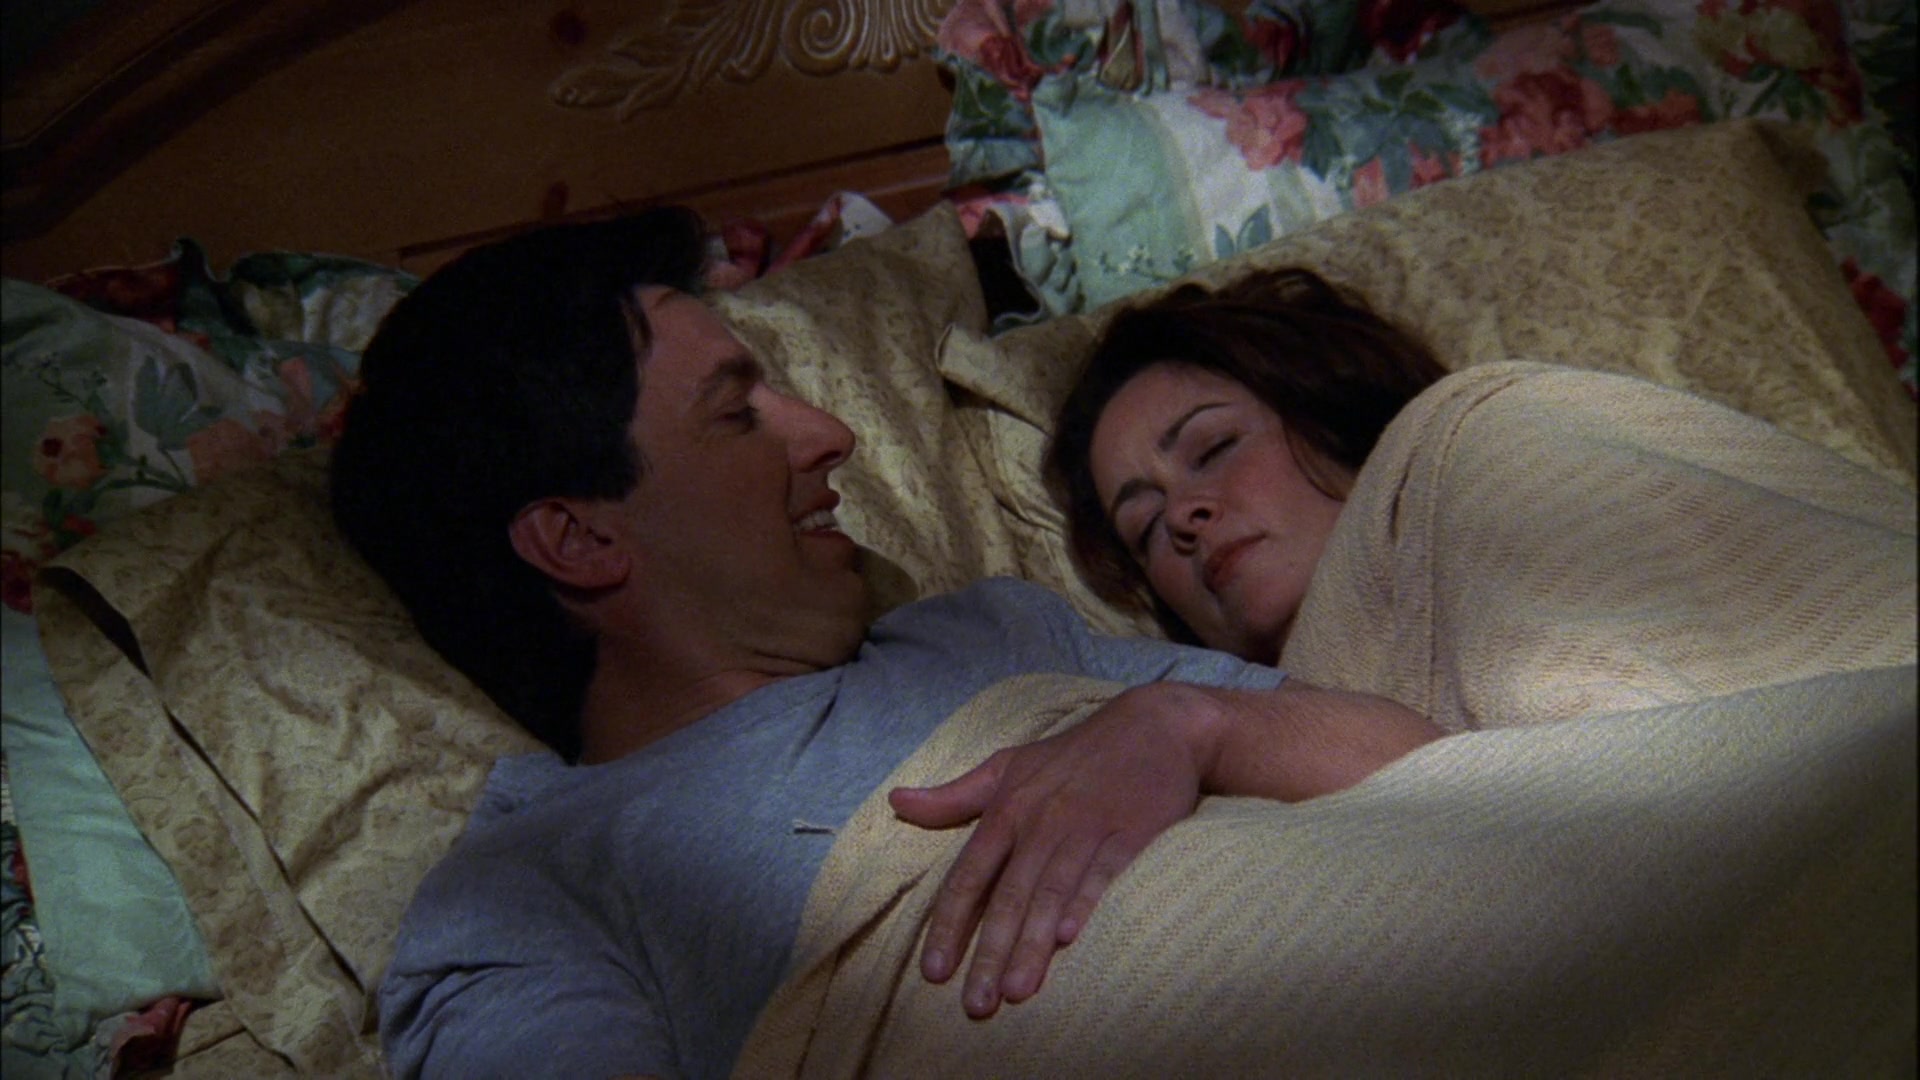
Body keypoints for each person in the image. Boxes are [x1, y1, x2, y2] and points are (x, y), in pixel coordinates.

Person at [328, 210, 1442, 1080]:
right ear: (578, 539)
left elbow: (1440, 768)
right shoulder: (528, 890)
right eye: (736, 413)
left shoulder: (988, 632)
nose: (830, 435)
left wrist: (1192, 723)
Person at [1044, 267, 1447, 663]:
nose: (1180, 515)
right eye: (1147, 526)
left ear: (1338, 417)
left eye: (1214, 449)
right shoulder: (1183, 703)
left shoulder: (1470, 443)